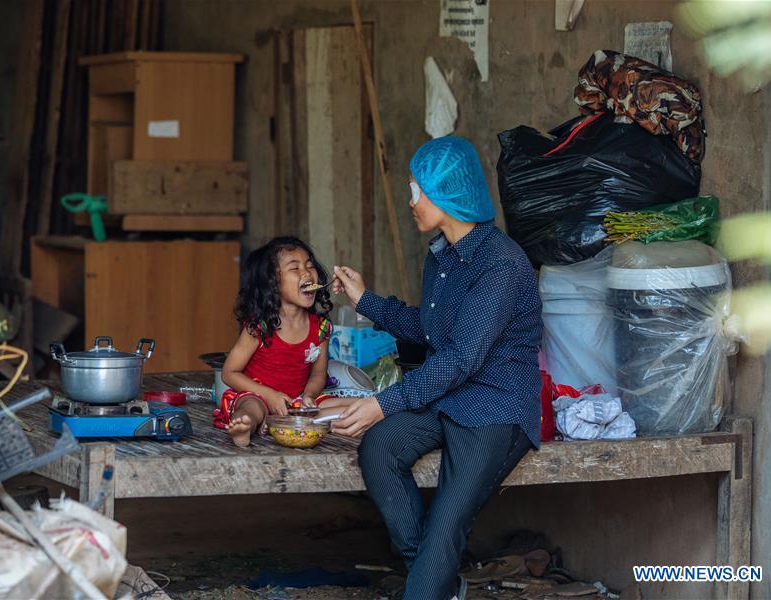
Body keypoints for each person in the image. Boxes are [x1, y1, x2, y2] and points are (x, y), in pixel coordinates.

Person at [331, 136, 542, 600]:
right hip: (450, 396)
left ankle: (430, 581)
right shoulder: (442, 255)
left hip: (496, 406)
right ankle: (437, 581)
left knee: (449, 520)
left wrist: (382, 403)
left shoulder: (501, 264)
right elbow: (430, 331)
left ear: (444, 193)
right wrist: (365, 300)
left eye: (415, 191)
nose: (411, 202)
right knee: (380, 448)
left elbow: (463, 357)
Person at [214, 237, 335, 447]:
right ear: (273, 283)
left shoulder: (320, 328)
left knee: (343, 407)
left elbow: (318, 374)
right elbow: (229, 373)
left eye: (309, 265)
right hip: (258, 395)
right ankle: (244, 428)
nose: (307, 272)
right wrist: (269, 396)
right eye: (294, 268)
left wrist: (308, 396)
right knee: (251, 408)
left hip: (296, 403)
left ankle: (365, 416)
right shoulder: (259, 327)